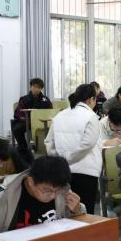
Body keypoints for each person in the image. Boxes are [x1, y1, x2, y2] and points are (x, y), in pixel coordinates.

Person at [0, 155, 84, 241]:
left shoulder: (60, 189)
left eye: (57, 191)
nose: (53, 195)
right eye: (47, 191)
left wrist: (77, 210)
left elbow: (77, 216)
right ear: (30, 182)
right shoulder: (3, 196)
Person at [46, 84, 101, 215]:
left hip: (63, 170)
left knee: (63, 210)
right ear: (91, 99)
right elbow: (88, 144)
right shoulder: (91, 116)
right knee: (85, 213)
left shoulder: (60, 115)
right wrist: (69, 158)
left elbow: (49, 142)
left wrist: (60, 159)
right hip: (86, 171)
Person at [11, 78, 53, 161]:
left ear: (41, 89)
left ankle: (51, 150)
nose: (36, 89)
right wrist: (28, 120)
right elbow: (19, 113)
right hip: (27, 122)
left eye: (39, 87)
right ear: (31, 87)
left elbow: (50, 112)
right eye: (35, 87)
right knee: (17, 129)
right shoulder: (24, 99)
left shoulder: (46, 99)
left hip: (43, 122)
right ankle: (24, 149)